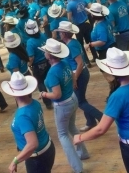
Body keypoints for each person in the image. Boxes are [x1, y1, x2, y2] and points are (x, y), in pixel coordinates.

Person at [38, 38, 88, 173]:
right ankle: (83, 153)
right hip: (72, 98)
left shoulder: (52, 74)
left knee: (62, 135)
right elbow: (72, 75)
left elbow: (56, 95)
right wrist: (72, 85)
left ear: (49, 55)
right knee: (72, 127)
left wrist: (44, 94)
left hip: (63, 105)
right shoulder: (65, 62)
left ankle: (77, 168)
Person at [2, 72, 55, 173]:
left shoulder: (22, 116)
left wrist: (15, 161)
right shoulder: (34, 103)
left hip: (37, 158)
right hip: (47, 148)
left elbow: (32, 144)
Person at [54, 21, 103, 133]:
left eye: (60, 32)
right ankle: (91, 122)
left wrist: (75, 78)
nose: (59, 34)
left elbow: (80, 63)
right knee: (82, 100)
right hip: (79, 74)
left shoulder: (71, 45)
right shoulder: (72, 43)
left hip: (79, 74)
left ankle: (101, 117)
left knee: (80, 102)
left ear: (64, 33)